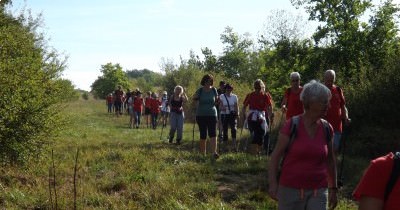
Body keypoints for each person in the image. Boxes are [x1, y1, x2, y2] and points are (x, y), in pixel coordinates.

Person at [268, 80, 338, 210]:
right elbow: (276, 156)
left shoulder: (327, 128)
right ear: (312, 103)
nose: (329, 106)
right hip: (290, 190)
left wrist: (333, 188)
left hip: (319, 190)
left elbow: (330, 160)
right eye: (325, 102)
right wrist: (273, 184)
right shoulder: (292, 125)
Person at [242, 79, 274, 155]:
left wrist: (271, 115)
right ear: (254, 87)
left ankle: (258, 152)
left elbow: (270, 106)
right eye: (256, 88)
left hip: (261, 118)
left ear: (261, 87)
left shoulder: (265, 95)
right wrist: (244, 114)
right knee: (255, 134)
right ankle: (254, 153)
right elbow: (244, 106)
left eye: (258, 88)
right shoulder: (250, 95)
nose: (257, 90)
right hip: (252, 118)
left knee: (262, 134)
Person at [193, 74, 219, 159]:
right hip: (201, 115)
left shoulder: (214, 90)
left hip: (212, 114)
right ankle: (202, 154)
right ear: (204, 81)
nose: (208, 82)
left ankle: (214, 152)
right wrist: (196, 101)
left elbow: (217, 100)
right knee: (203, 134)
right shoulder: (200, 90)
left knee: (213, 134)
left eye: (210, 81)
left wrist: (218, 102)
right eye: (207, 81)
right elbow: (195, 99)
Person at [323, 69, 350, 152]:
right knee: (323, 151)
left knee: (334, 151)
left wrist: (346, 118)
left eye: (331, 80)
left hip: (337, 127)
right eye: (328, 80)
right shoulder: (320, 90)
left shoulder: (338, 90)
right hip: (323, 127)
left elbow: (343, 106)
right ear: (324, 79)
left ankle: (332, 165)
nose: (329, 82)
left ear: (334, 79)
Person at [219, 83, 239, 152]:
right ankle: (225, 147)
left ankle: (234, 146)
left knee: (233, 129)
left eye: (230, 89)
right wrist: (222, 108)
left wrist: (237, 114)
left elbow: (236, 106)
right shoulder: (222, 96)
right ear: (225, 89)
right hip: (224, 115)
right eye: (227, 89)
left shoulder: (235, 96)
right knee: (225, 130)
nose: (229, 91)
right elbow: (220, 106)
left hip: (232, 115)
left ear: (232, 89)